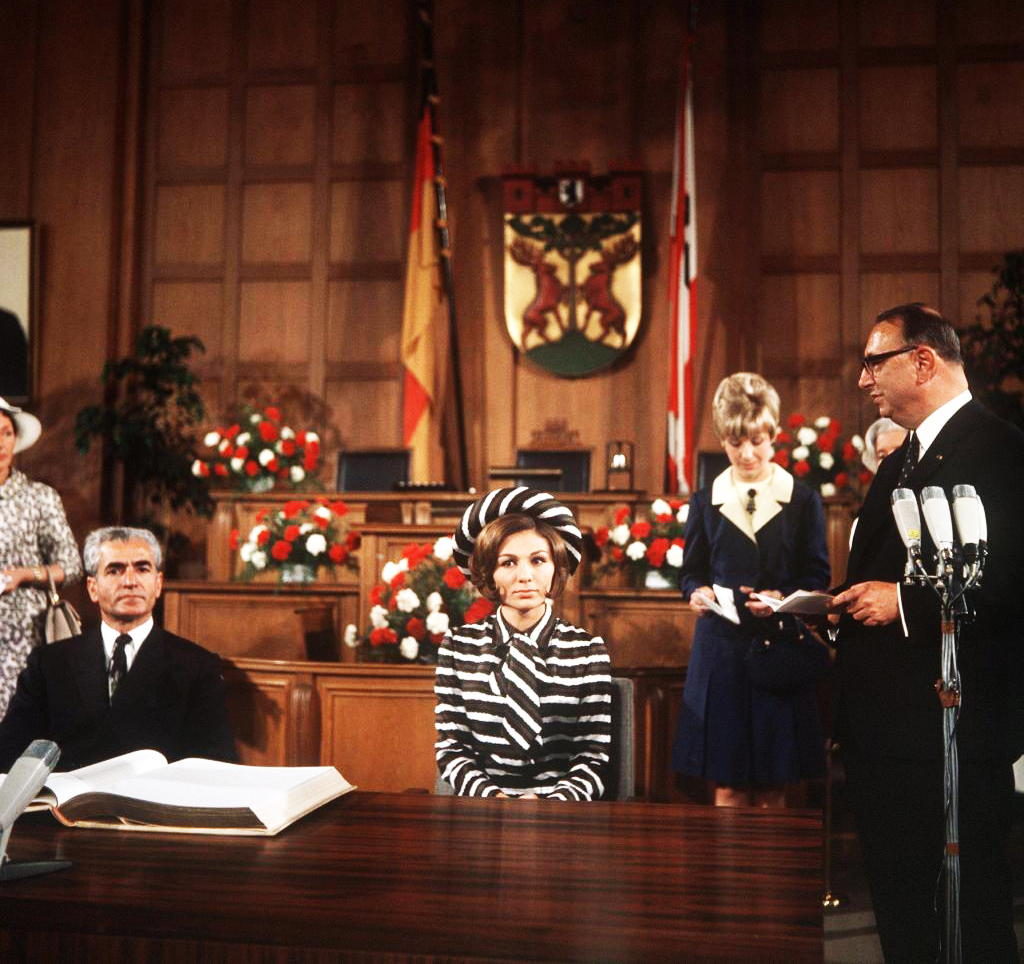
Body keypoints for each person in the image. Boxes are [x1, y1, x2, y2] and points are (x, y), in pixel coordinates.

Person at [830, 303, 1024, 963]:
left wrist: (904, 601)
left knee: (970, 924)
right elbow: (881, 572)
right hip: (887, 742)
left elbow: (1009, 578)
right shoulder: (901, 460)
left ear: (922, 360)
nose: (863, 380)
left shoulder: (1001, 449)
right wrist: (832, 607)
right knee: (906, 923)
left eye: (873, 362)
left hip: (952, 738)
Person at [672, 372, 830, 807]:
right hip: (722, 655)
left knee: (775, 786)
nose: (746, 454)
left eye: (757, 442)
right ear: (722, 440)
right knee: (728, 786)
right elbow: (690, 573)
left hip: (778, 650)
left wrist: (781, 600)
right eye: (735, 442)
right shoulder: (705, 501)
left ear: (774, 435)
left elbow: (817, 574)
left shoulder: (802, 500)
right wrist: (697, 594)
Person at [0, 526, 236, 771]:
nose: (130, 581)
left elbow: (216, 763)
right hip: (65, 795)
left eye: (142, 569)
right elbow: (8, 752)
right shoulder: (49, 663)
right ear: (92, 588)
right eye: (115, 570)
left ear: (158, 584)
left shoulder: (197, 666)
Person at [435, 487, 612, 799]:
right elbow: (452, 750)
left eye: (538, 560)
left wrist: (550, 804)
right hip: (481, 809)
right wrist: (494, 799)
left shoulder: (587, 652)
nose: (525, 575)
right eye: (508, 563)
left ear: (556, 568)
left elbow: (593, 758)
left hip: (561, 813)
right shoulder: (457, 648)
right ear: (488, 572)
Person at [0, 397, 82, 720]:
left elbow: (72, 565)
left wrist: (23, 575)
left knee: (15, 728)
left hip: (23, 634)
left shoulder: (39, 497)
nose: (0, 443)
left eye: (6, 433)